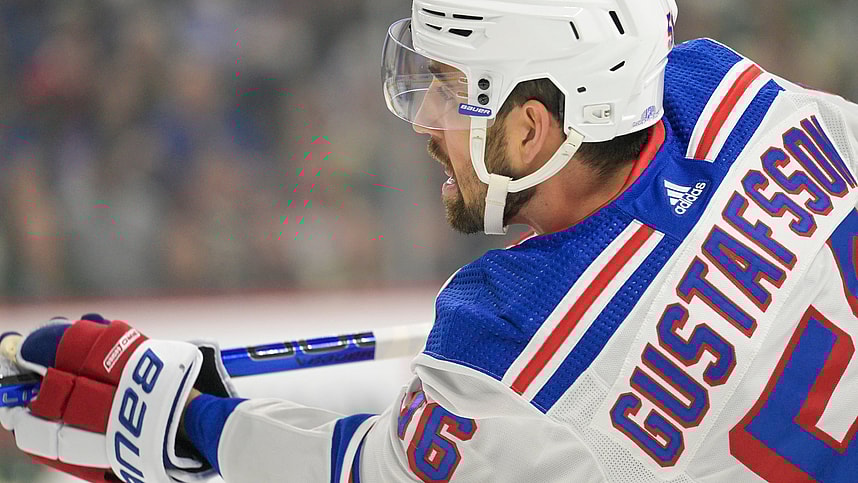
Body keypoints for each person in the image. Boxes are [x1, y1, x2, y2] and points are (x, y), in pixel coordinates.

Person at [3, 0, 858, 481]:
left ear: (532, 127)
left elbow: (352, 470)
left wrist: (179, 425)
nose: (424, 120)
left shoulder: (503, 339)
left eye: (450, 88)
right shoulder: (734, 95)